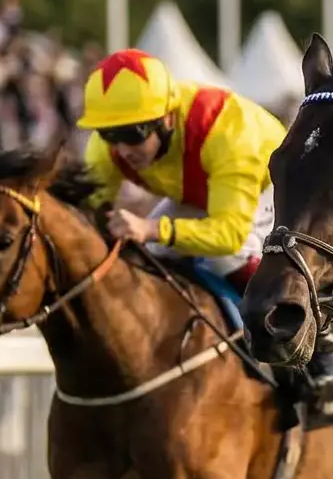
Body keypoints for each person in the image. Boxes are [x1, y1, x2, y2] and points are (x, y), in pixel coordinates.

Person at [76, 47, 286, 305]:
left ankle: (300, 325)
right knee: (150, 252)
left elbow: (228, 236)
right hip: (208, 195)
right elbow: (83, 211)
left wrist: (151, 227)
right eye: (109, 135)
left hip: (277, 187)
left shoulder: (225, 136)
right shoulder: (105, 150)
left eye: (133, 134)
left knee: (225, 256)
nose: (122, 149)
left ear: (167, 117)